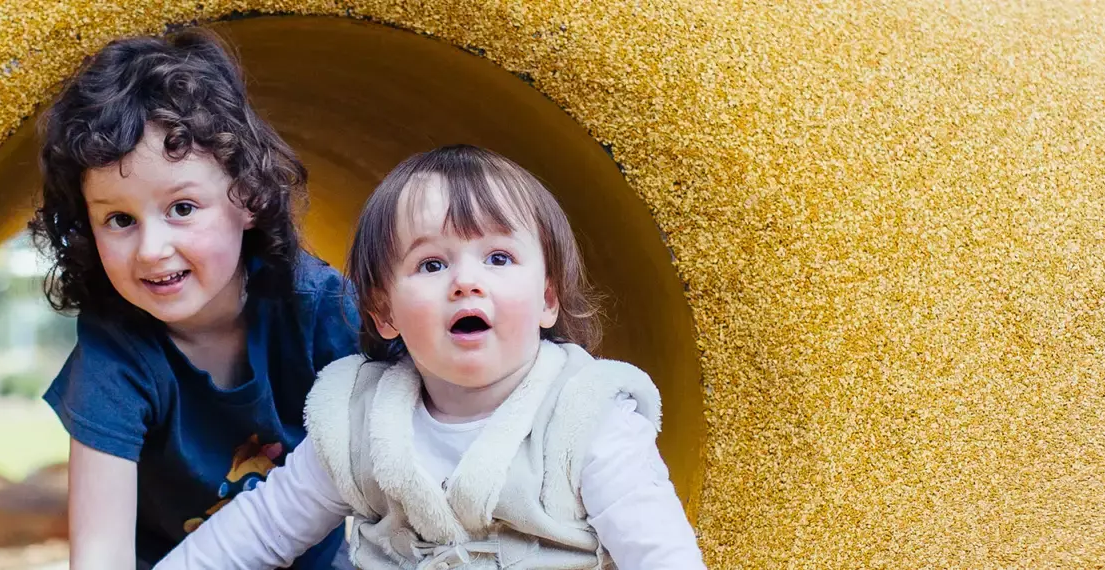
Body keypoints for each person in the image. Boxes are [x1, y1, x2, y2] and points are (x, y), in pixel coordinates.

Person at [156, 145, 707, 569]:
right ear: (383, 311)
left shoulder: (588, 420)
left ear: (546, 298)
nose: (467, 281)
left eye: (498, 256)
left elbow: (659, 554)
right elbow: (262, 527)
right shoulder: (360, 421)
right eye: (432, 265)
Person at [30, 27, 357, 570]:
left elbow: (429, 420)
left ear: (247, 197)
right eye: (119, 219)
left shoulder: (315, 305)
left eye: (182, 207)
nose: (153, 250)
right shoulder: (117, 352)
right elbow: (99, 553)